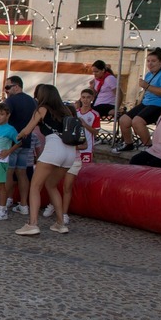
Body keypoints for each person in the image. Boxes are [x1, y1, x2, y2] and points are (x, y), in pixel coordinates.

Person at [13, 85, 78, 236]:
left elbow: (27, 130)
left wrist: (17, 136)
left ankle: (32, 224)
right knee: (51, 185)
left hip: (53, 148)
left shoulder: (42, 109)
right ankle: (61, 223)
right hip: (69, 152)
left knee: (35, 186)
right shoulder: (66, 111)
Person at [47, 88, 100, 226]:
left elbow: (94, 133)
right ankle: (54, 204)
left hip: (81, 153)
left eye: (88, 97)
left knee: (68, 185)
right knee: (54, 183)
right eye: (83, 97)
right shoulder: (71, 116)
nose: (86, 100)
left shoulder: (94, 115)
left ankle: (63, 213)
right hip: (64, 156)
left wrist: (84, 125)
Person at [117, 48, 161, 151]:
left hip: (160, 104)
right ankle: (128, 143)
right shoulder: (149, 74)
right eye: (148, 61)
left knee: (137, 121)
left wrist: (147, 86)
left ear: (160, 62)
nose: (150, 64)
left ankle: (149, 146)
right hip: (146, 103)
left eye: (153, 61)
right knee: (124, 120)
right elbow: (146, 91)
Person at [1, 75, 37, 215]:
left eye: (8, 87)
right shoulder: (32, 101)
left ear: (16, 86)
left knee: (9, 172)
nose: (6, 90)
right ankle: (23, 204)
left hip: (11, 142)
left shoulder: (11, 100)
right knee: (22, 173)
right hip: (26, 141)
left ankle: (5, 201)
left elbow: (3, 118)